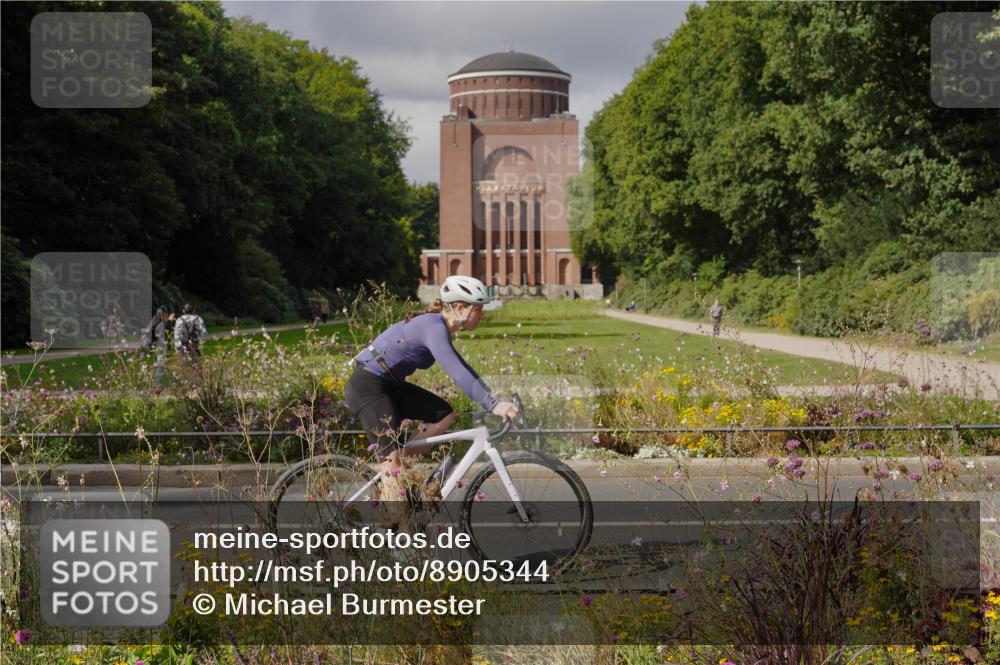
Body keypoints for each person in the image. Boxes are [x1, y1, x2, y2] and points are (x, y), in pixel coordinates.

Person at [344, 275, 519, 506]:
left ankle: (402, 475)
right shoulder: (433, 327)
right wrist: (493, 405)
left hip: (390, 386)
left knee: (443, 414)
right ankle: (394, 519)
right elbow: (458, 372)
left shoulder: (438, 327)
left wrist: (493, 399)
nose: (482, 315)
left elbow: (464, 367)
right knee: (391, 462)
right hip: (368, 387)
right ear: (460, 308)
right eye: (478, 309)